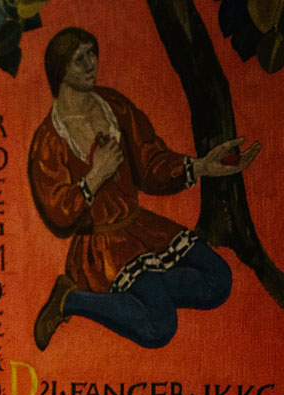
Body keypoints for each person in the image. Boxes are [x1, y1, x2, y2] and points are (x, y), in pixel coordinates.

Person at [28, 27, 260, 350]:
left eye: (92, 53)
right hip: (104, 247)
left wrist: (202, 166)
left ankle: (146, 293)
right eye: (79, 58)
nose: (91, 63)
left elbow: (149, 163)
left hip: (141, 226)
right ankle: (70, 300)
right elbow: (57, 212)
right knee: (160, 327)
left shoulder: (113, 106)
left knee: (218, 279)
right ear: (60, 69)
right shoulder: (49, 141)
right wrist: (95, 177)